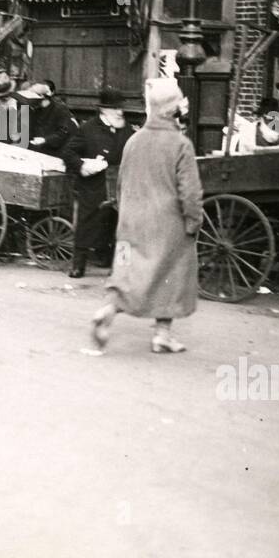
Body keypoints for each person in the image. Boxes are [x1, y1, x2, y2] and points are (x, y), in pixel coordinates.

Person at [89, 79, 203, 354]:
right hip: (169, 223)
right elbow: (190, 192)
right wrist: (194, 220)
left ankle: (109, 308)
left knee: (129, 273)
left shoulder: (134, 140)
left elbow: (120, 182)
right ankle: (163, 334)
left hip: (132, 221)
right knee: (172, 276)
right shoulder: (181, 144)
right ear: (174, 109)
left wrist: (124, 213)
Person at [63, 87, 133, 278]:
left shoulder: (127, 129)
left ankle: (120, 267)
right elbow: (68, 152)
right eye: (115, 108)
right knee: (87, 223)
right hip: (94, 185)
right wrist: (82, 166)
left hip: (119, 184)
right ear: (103, 110)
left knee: (121, 225)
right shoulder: (88, 129)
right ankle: (78, 264)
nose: (120, 112)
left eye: (121, 108)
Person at [19, 82, 76, 158]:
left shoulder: (60, 109)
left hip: (55, 154)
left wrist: (45, 140)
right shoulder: (33, 109)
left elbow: (63, 133)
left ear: (42, 97)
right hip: (35, 153)